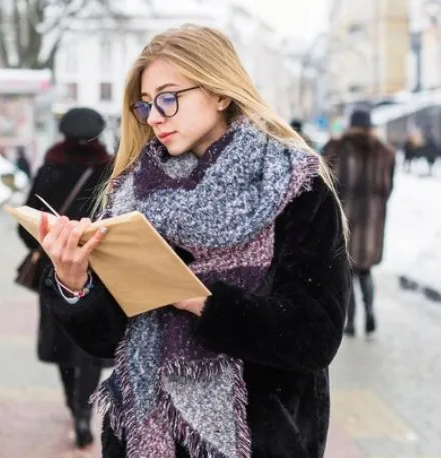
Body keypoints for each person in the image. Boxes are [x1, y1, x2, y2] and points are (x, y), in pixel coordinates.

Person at [36, 24, 350, 458]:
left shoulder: (292, 186)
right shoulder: (133, 195)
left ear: (220, 92)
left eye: (169, 97)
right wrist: (75, 283)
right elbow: (107, 341)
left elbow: (316, 335)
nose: (155, 116)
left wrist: (203, 302)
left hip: (262, 440)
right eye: (145, 104)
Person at [17, 107, 113, 449]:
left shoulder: (50, 168)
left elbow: (26, 227)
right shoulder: (109, 168)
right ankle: (85, 413)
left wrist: (49, 243)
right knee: (88, 345)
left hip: (53, 269)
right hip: (97, 270)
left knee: (62, 343)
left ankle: (73, 405)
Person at [323, 109, 395, 337]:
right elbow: (388, 189)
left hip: (345, 220)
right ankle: (370, 311)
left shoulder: (337, 148)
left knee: (347, 272)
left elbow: (326, 184)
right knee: (365, 272)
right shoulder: (385, 153)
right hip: (371, 223)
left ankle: (351, 322)